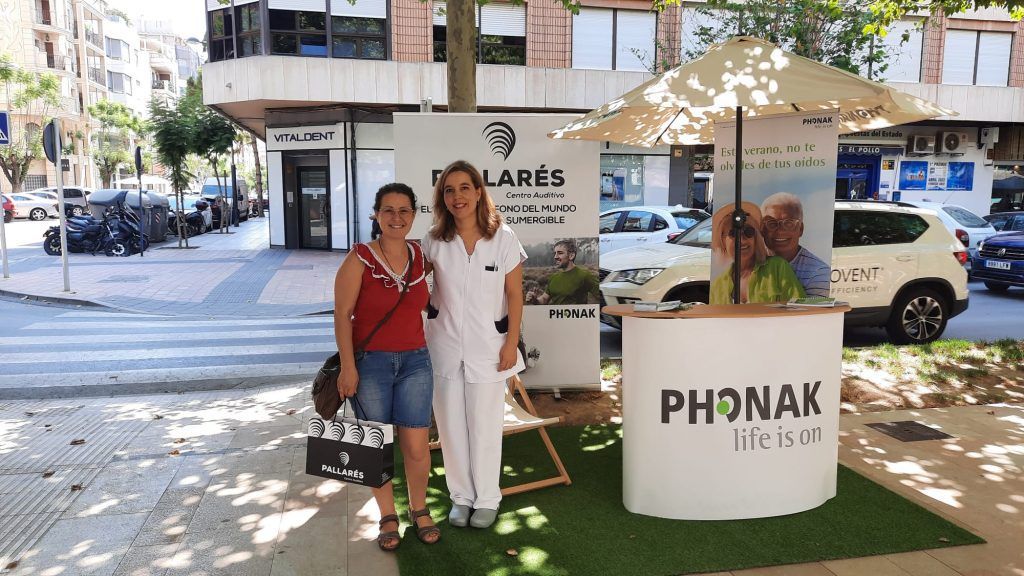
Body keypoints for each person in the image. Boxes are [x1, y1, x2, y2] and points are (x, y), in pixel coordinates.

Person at [333, 183, 439, 551]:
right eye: (389, 210)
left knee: (416, 445)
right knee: (376, 446)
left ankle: (420, 508)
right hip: (370, 363)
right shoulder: (359, 257)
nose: (397, 217)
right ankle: (387, 516)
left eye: (404, 211)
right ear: (376, 215)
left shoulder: (421, 255)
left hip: (416, 360)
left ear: (413, 215)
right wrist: (348, 367)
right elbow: (342, 316)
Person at [421, 160, 526, 530]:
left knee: (484, 425)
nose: (457, 196)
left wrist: (511, 343)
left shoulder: (504, 238)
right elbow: (419, 290)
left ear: (479, 191)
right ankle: (461, 497)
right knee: (450, 428)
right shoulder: (433, 241)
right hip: (443, 347)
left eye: (464, 187)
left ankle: (487, 499)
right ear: (442, 198)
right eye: (449, 190)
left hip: (491, 347)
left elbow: (515, 295)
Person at [709, 201, 805, 304]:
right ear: (723, 240)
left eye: (748, 232)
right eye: (734, 233)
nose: (742, 240)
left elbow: (800, 307)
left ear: (756, 238)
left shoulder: (778, 267)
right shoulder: (717, 285)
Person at [760, 193, 831, 298]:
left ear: (801, 229)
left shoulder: (818, 272)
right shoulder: (751, 265)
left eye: (789, 223)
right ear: (762, 229)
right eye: (772, 224)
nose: (780, 231)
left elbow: (813, 313)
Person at [537, 239, 600, 305]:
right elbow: (544, 299)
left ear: (571, 256)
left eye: (560, 253)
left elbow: (601, 296)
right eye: (555, 253)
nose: (555, 257)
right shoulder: (553, 277)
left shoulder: (585, 275)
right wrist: (534, 300)